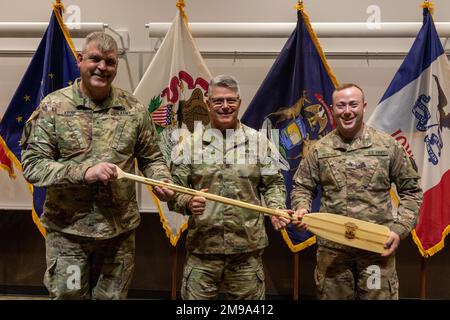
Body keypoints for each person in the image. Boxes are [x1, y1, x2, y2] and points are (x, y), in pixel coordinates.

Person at [20, 32, 175, 300]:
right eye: (95, 59)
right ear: (80, 60)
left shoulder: (134, 109)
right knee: (70, 297)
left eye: (110, 62)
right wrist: (85, 172)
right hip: (69, 235)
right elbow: (33, 166)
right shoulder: (53, 107)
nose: (102, 67)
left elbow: (152, 157)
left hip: (118, 236)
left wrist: (162, 181)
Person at [291, 83, 422, 300]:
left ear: (364, 106)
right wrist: (302, 208)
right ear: (333, 109)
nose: (347, 111)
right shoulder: (319, 149)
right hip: (333, 253)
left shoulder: (388, 147)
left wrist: (399, 230)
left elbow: (412, 191)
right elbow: (302, 187)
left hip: (376, 251)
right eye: (341, 105)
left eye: (353, 104)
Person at [169, 74, 290, 300]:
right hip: (203, 251)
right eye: (218, 101)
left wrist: (276, 209)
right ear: (208, 104)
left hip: (246, 252)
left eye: (231, 100)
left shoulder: (259, 142)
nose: (225, 106)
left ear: (239, 102)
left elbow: (273, 183)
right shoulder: (189, 145)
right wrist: (187, 201)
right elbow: (174, 189)